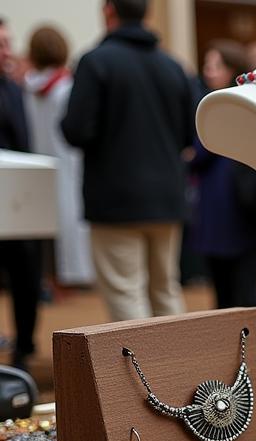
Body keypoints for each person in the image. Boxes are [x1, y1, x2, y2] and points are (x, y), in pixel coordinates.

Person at [62, 0, 193, 322]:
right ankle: (174, 370)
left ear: (108, 11)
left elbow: (76, 130)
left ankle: (140, 372)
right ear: (146, 13)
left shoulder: (96, 62)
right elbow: (191, 134)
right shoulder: (173, 66)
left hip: (116, 199)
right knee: (166, 290)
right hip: (167, 197)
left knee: (126, 292)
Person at [191, 39, 256, 310]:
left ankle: (242, 350)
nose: (208, 71)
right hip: (235, 213)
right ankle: (241, 350)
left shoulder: (221, 107)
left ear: (231, 69)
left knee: (233, 296)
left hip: (234, 211)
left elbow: (200, 152)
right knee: (238, 294)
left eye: (214, 65)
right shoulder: (247, 105)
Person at [23, 25, 94, 288]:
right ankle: (74, 274)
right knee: (71, 218)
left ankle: (49, 276)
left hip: (39, 160)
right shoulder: (67, 87)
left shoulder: (28, 88)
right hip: (68, 159)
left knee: (45, 221)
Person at [0, 17, 41, 370]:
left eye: (7, 43)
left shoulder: (14, 89)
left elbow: (25, 142)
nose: (7, 51)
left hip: (16, 201)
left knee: (26, 274)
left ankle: (24, 348)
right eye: (1, 45)